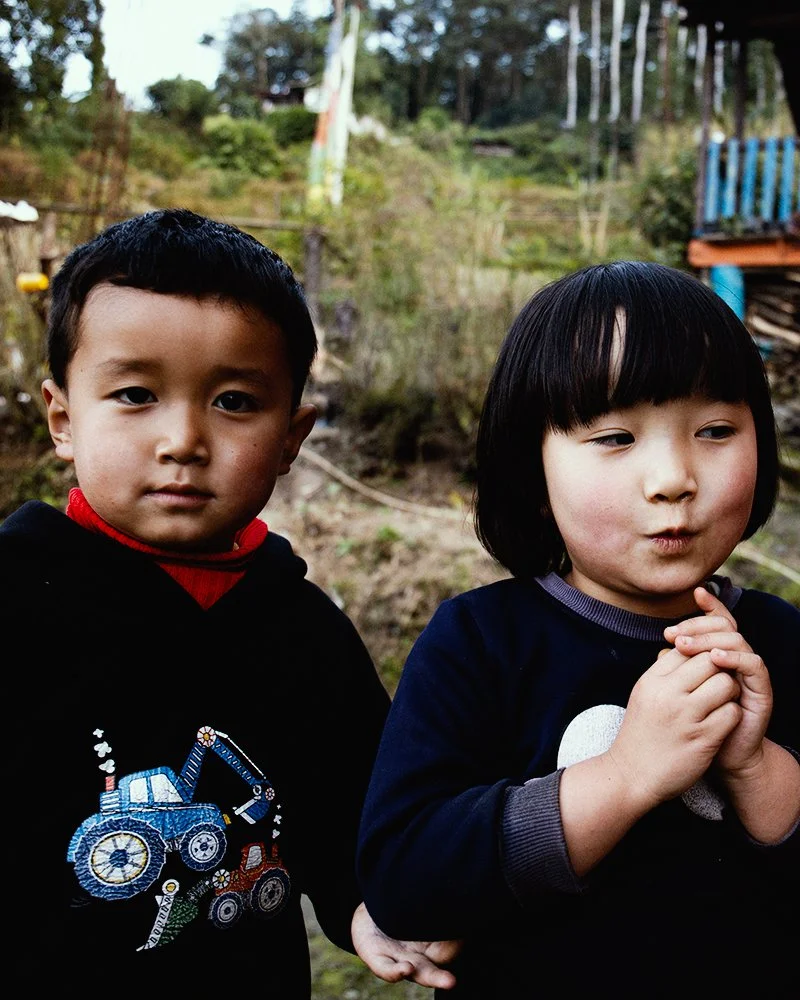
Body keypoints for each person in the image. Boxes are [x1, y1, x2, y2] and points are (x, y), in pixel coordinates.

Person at [3, 208, 458, 993]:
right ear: (63, 419)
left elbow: (351, 805)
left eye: (236, 402)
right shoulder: (15, 598)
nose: (183, 438)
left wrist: (363, 905)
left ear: (293, 436)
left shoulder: (304, 634)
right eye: (137, 393)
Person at [356, 260, 800, 997]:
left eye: (716, 429)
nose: (672, 478)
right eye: (616, 437)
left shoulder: (777, 641)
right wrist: (624, 778)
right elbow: (407, 880)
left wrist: (756, 768)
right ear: (531, 475)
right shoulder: (479, 644)